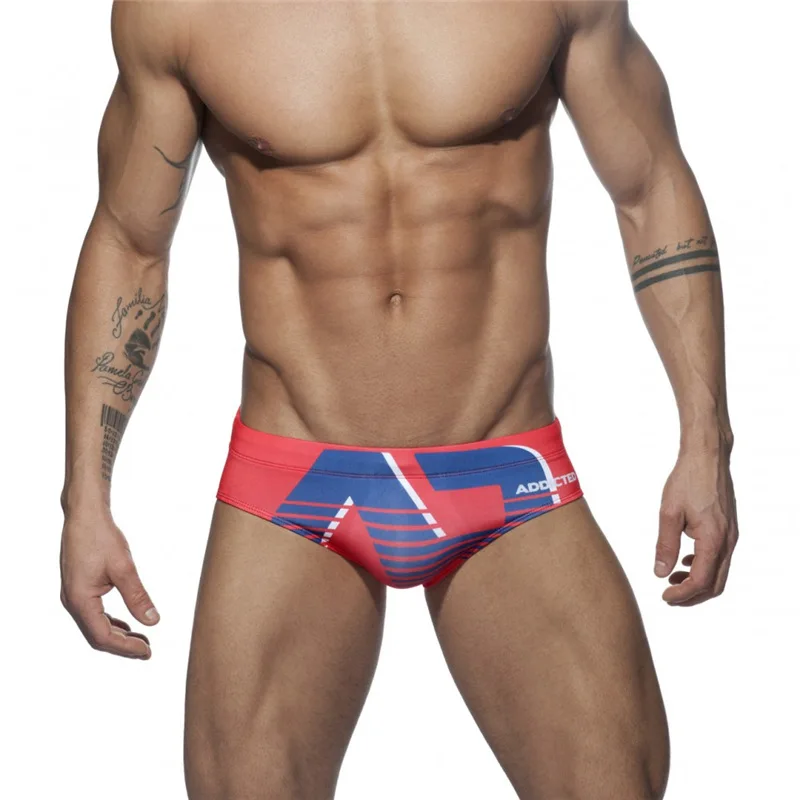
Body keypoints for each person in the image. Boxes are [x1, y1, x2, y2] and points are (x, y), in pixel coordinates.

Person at [59, 2, 739, 798]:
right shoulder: (184, 11)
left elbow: (649, 186)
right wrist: (86, 501)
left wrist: (706, 442)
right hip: (294, 479)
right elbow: (131, 244)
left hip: (504, 468)